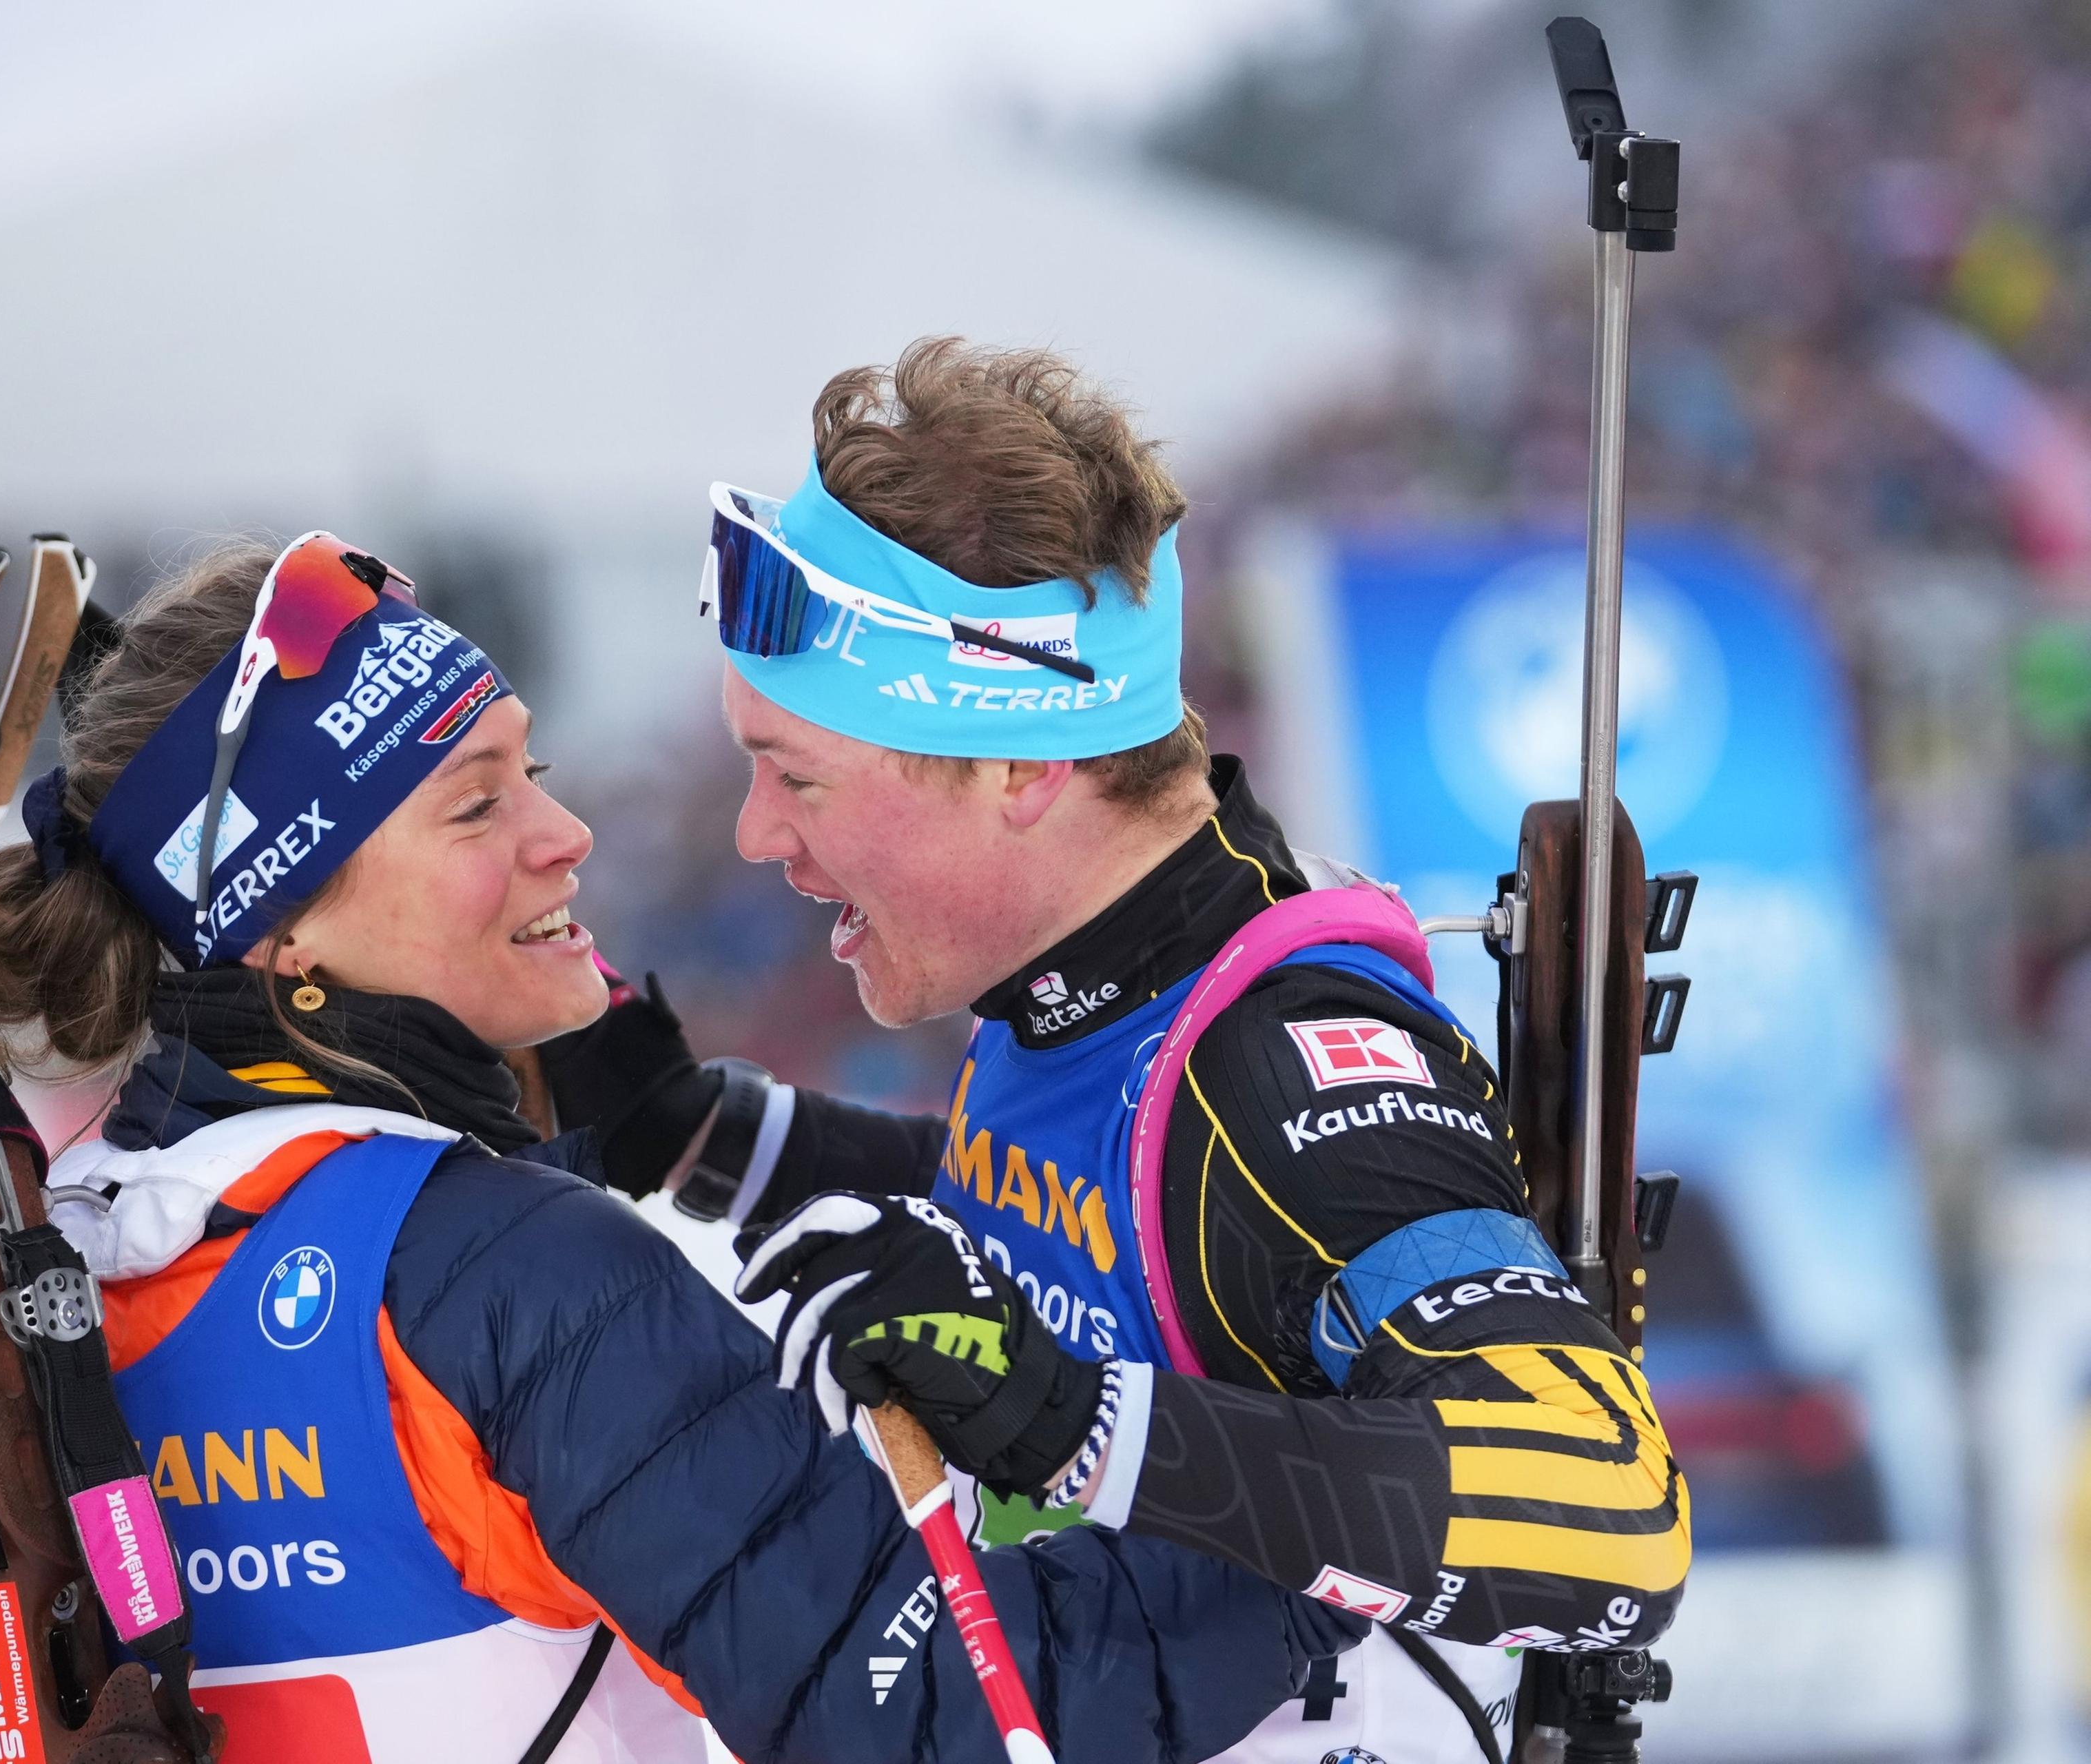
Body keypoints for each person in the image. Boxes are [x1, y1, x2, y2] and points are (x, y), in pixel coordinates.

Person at [0, 532, 1363, 1764]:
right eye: (481, 802)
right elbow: (950, 1715)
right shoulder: (508, 1278)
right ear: (279, 926)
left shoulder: (27, 1307)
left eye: (537, 770)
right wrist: (1335, 1524)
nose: (570, 835)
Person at [550, 340, 1691, 1764]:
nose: (756, 835)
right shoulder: (1084, 990)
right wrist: (700, 1132)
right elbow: (1096, 1218)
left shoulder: (1284, 1067)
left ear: (1023, 766)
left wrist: (1070, 1415)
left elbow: (1615, 1505)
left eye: (797, 773)